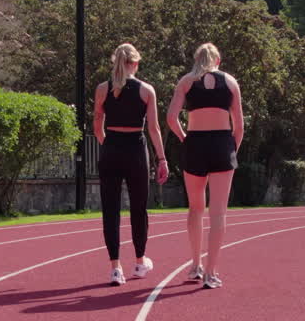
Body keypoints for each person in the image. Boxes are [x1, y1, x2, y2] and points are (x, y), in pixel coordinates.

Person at [165, 43, 243, 289]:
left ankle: (195, 266)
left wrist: (184, 138)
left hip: (195, 143)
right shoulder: (230, 82)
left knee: (195, 208)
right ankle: (211, 273)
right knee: (218, 212)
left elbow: (170, 117)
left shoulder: (186, 81)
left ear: (196, 59)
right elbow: (239, 125)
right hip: (222, 143)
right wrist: (232, 150)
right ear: (218, 61)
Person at [93, 43, 169, 286]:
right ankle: (139, 261)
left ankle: (115, 268)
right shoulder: (147, 90)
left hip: (111, 148)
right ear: (135, 64)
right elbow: (154, 129)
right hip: (136, 149)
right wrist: (162, 158)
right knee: (138, 208)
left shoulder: (102, 89)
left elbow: (97, 126)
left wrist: (108, 145)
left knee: (110, 210)